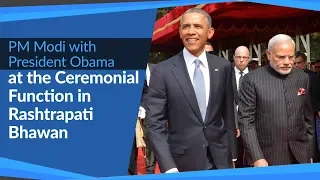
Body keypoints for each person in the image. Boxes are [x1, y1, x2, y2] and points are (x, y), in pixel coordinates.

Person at [145, 8, 237, 173]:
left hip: (221, 160)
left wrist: (233, 156)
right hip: (181, 163)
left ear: (210, 32)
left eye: (197, 26)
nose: (191, 31)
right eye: (186, 26)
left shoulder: (223, 67)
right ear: (180, 32)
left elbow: (228, 115)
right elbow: (154, 123)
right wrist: (168, 166)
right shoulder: (162, 71)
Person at [238, 34, 314, 167]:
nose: (287, 62)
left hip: (301, 155)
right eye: (281, 57)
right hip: (267, 157)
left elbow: (307, 118)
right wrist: (257, 157)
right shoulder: (251, 80)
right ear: (268, 54)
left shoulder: (303, 78)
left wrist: (310, 153)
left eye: (291, 57)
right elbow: (246, 121)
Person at [231, 46, 251, 168]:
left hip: (251, 122)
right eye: (238, 57)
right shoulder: (226, 75)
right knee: (236, 156)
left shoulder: (256, 76)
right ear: (234, 58)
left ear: (249, 59)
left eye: (244, 57)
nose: (241, 60)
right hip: (232, 123)